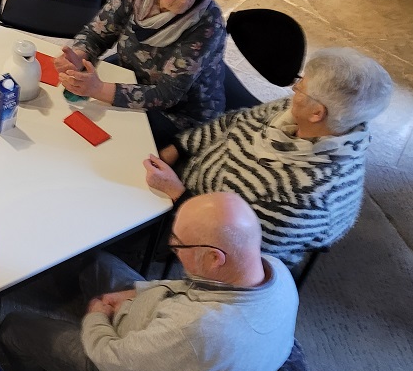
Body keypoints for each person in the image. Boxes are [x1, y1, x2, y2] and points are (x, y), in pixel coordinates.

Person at [0, 192, 298, 371]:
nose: (174, 248)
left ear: (214, 257)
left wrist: (96, 317)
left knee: (15, 330)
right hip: (163, 336)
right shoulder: (270, 269)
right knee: (95, 262)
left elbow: (114, 364)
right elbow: (193, 287)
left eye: (178, 245)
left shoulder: (198, 329)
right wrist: (136, 293)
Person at [144, 48, 393, 267]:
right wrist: (178, 148)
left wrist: (177, 194)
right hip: (191, 179)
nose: (293, 90)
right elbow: (235, 120)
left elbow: (233, 245)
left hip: (204, 228)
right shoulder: (298, 112)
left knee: (128, 234)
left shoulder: (305, 198)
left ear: (317, 113)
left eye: (300, 87)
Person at [54, 0, 226, 147]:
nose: (185, 1)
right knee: (68, 113)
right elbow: (99, 32)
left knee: (110, 142)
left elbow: (167, 94)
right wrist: (80, 54)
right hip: (132, 75)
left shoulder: (208, 24)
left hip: (180, 116)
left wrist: (98, 89)